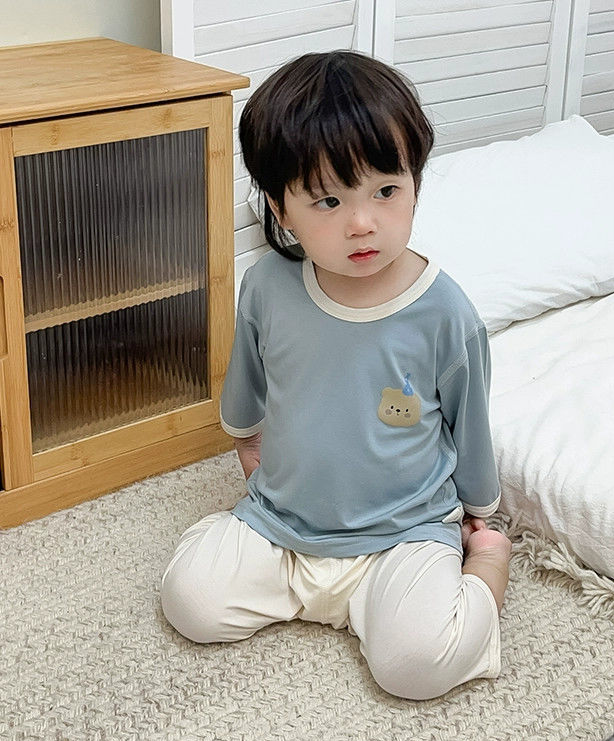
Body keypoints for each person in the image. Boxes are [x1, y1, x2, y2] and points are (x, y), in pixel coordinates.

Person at [161, 50, 512, 701]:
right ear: (281, 209)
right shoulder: (268, 286)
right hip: (284, 522)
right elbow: (249, 378)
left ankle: (487, 573)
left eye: (386, 191)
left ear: (415, 183)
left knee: (416, 667)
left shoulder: (444, 311)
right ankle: (281, 571)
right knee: (191, 602)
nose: (362, 222)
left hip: (404, 533)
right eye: (328, 200)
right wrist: (245, 440)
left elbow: (471, 422)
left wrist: (482, 516)